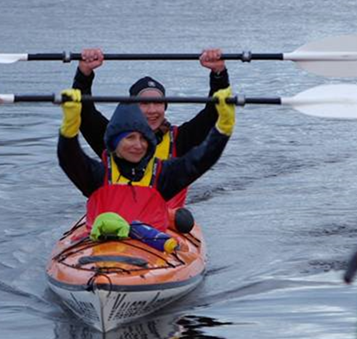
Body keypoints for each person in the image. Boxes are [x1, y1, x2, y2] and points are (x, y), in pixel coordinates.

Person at [57, 86, 235, 235]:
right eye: (130, 138)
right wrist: (70, 126)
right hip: (100, 247)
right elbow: (69, 157)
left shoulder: (163, 176)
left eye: (144, 139)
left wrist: (223, 129)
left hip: (152, 251)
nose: (138, 145)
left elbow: (201, 159)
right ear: (114, 142)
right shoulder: (97, 176)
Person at [71, 48, 230, 208]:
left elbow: (214, 111)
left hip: (164, 221)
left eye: (158, 103)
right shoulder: (112, 137)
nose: (152, 110)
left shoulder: (181, 139)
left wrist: (218, 73)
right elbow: (83, 111)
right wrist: (84, 73)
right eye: (144, 103)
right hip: (115, 220)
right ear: (131, 107)